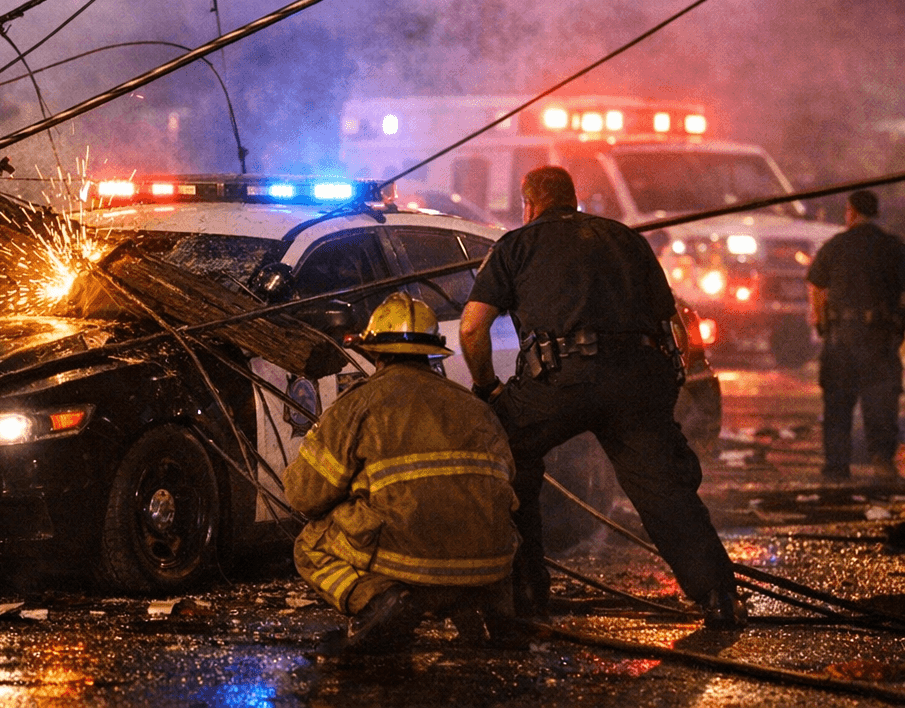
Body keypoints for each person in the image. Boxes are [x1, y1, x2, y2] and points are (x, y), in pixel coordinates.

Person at [458, 165, 745, 629]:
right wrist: (663, 392)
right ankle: (718, 597)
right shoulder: (627, 240)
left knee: (506, 460)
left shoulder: (515, 245)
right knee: (665, 491)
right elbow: (675, 326)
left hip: (557, 381)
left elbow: (472, 328)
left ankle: (526, 596)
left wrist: (489, 389)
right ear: (574, 199)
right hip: (638, 380)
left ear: (528, 204)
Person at [284, 292, 519, 649]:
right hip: (488, 567)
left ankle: (379, 600)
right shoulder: (475, 407)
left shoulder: (359, 404)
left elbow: (305, 495)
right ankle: (481, 604)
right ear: (431, 353)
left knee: (310, 544)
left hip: (410, 570)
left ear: (374, 353)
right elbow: (506, 484)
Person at [806, 189, 905, 483]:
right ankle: (882, 462)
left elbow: (816, 287)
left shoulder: (835, 246)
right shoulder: (893, 247)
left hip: (840, 339)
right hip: (879, 339)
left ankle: (837, 467)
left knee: (837, 406)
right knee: (881, 404)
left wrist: (821, 323)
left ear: (851, 212)